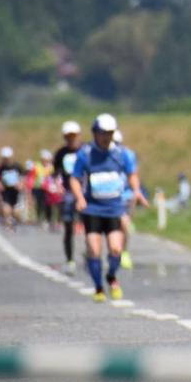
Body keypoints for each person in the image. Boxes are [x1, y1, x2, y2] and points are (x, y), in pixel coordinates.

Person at [69, 114, 147, 302]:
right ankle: (98, 288)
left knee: (115, 249)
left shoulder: (122, 154)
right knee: (94, 250)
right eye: (103, 133)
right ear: (95, 133)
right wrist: (79, 197)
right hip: (93, 209)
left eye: (110, 133)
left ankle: (111, 275)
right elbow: (75, 178)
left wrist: (136, 191)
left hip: (114, 208)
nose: (106, 137)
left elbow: (132, 174)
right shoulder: (85, 154)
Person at [53, 121, 82, 274]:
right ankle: (70, 258)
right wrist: (57, 185)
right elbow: (56, 173)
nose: (71, 139)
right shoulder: (61, 153)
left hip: (85, 191)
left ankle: (91, 253)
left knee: (91, 224)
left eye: (73, 136)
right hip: (68, 192)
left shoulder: (85, 151)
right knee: (68, 226)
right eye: (68, 136)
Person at [113, 130, 140, 270]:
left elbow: (133, 174)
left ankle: (123, 252)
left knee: (125, 225)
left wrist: (135, 193)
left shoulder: (128, 155)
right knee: (113, 227)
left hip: (126, 194)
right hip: (110, 196)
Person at [0, 147, 23, 230]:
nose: (5, 160)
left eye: (7, 158)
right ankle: (8, 224)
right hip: (6, 191)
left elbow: (23, 178)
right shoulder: (1, 168)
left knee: (16, 212)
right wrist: (0, 185)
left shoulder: (17, 166)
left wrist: (20, 184)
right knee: (6, 209)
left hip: (16, 192)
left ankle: (15, 221)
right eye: (4, 158)